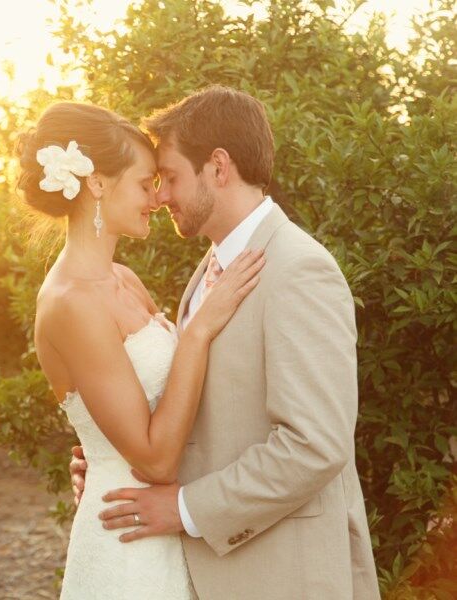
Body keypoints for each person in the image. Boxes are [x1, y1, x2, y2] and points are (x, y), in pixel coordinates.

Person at [71, 85, 380, 599]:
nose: (160, 195)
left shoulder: (298, 269)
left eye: (169, 177)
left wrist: (185, 507)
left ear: (219, 167)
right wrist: (112, 459)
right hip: (213, 572)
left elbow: (314, 445)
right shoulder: (214, 266)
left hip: (281, 575)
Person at [22, 100, 264, 599]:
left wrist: (99, 453)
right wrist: (198, 332)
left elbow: (162, 406)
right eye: (144, 182)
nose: (156, 199)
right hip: (128, 545)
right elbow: (153, 461)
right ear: (96, 184)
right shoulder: (71, 302)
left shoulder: (123, 279)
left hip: (167, 530)